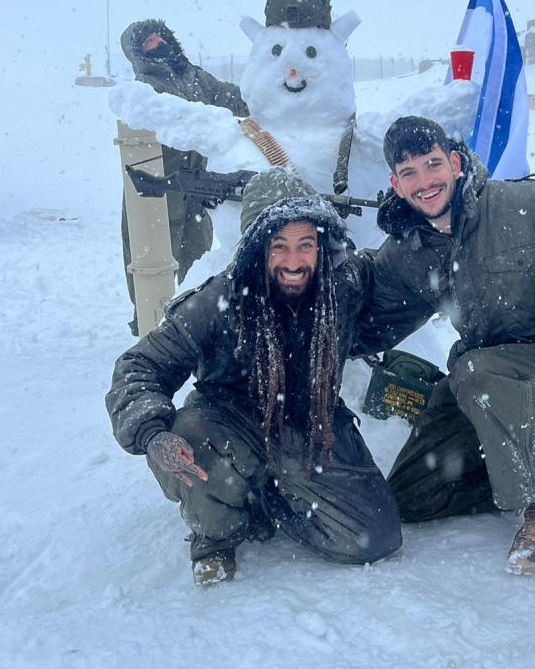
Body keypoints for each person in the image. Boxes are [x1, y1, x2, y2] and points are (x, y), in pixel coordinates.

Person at [106, 168, 402, 585]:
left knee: (374, 538)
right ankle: (215, 535)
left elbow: (404, 285)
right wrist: (152, 434)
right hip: (227, 423)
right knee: (191, 439)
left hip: (312, 426)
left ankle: (267, 498)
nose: (294, 262)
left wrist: (419, 225)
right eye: (279, 246)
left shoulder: (345, 285)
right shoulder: (217, 300)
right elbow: (139, 366)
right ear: (257, 249)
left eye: (305, 245)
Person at [357, 116, 535, 574]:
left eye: (433, 164)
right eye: (409, 173)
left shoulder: (530, 204)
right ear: (396, 184)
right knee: (412, 496)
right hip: (484, 383)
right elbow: (373, 320)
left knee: (477, 374)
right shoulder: (410, 250)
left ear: (455, 162)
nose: (425, 182)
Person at [119, 18, 249, 334]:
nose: (158, 43)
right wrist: (205, 121)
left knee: (199, 254)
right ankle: (149, 324)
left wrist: (266, 96)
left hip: (198, 184)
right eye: (148, 42)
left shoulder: (194, 76)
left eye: (159, 36)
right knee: (152, 258)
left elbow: (231, 98)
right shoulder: (144, 88)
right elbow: (172, 124)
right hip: (156, 185)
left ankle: (197, 321)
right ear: (138, 54)